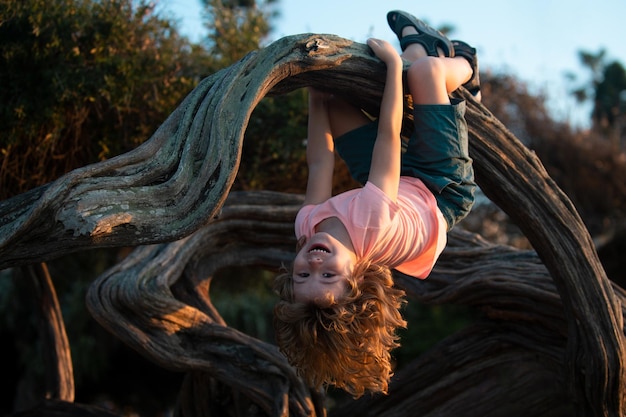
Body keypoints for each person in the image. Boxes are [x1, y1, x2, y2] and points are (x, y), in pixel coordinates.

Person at [273, 10, 479, 398]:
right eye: (328, 276)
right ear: (357, 277)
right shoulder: (371, 222)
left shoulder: (307, 231)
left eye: (303, 276)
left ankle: (419, 42)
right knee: (424, 73)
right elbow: (389, 133)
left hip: (392, 185)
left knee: (335, 104)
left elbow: (319, 160)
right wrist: (391, 68)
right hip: (440, 188)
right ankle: (466, 66)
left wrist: (316, 95)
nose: (313, 265)